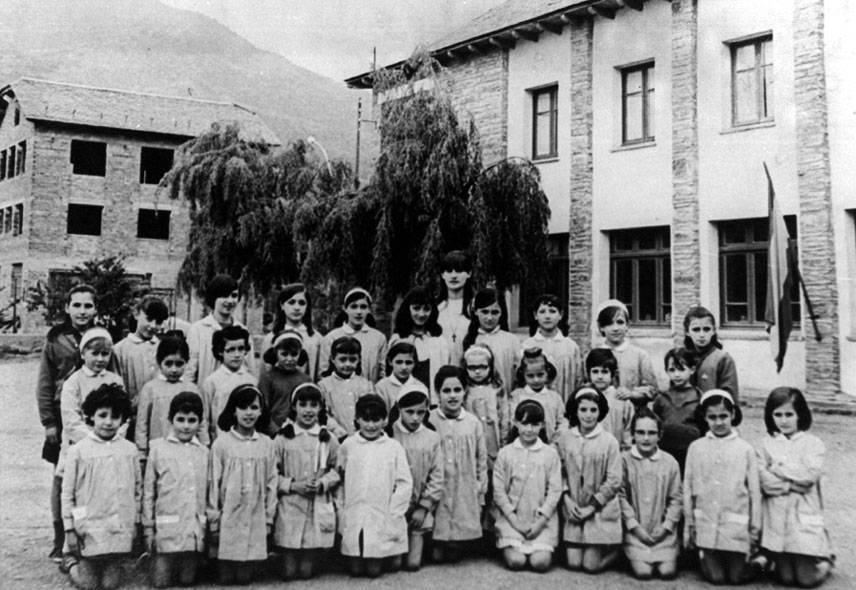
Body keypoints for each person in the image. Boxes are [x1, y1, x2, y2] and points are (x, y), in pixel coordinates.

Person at [35, 284, 99, 561]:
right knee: (61, 479)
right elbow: (45, 382)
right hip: (63, 418)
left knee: (93, 477)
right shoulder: (55, 338)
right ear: (67, 308)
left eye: (88, 306)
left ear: (96, 309)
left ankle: (91, 537)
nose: (82, 311)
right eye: (77, 305)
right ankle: (60, 536)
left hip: (97, 418)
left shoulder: (103, 337)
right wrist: (49, 421)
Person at [61, 384, 141, 590]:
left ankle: (111, 564)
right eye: (102, 415)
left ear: (122, 419)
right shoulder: (78, 451)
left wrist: (136, 521)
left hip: (117, 526)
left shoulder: (130, 450)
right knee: (88, 585)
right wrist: (69, 529)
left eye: (115, 416)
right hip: (88, 526)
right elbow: (67, 493)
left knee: (110, 585)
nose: (108, 422)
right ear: (91, 416)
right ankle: (71, 562)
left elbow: (137, 490)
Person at [756, 387, 834, 587]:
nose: (783, 421)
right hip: (776, 512)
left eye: (789, 414)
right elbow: (763, 479)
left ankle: (824, 562)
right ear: (770, 415)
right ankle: (780, 560)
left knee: (806, 580)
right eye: (778, 414)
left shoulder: (812, 443)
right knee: (786, 578)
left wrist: (777, 469)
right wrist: (790, 485)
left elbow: (808, 477)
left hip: (802, 512)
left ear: (800, 414)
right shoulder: (766, 444)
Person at [684, 389, 760, 585]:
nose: (718, 422)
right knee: (716, 578)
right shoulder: (697, 447)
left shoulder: (745, 449)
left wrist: (754, 529)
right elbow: (688, 488)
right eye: (712, 417)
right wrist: (690, 523)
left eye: (723, 416)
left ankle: (762, 561)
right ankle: (705, 555)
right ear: (705, 418)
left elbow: (754, 492)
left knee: (736, 578)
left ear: (733, 415)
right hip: (707, 524)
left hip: (735, 528)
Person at [207, 384, 277, 585]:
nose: (249, 413)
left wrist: (269, 517)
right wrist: (214, 518)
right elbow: (213, 482)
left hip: (255, 511)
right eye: (243, 407)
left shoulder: (266, 444)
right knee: (227, 578)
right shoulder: (222, 444)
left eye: (254, 408)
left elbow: (272, 482)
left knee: (244, 578)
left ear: (261, 411)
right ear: (233, 410)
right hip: (228, 514)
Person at [338, 394, 412, 578]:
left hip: (382, 511)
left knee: (373, 571)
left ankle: (387, 557)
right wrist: (341, 507)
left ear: (385, 420)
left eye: (376, 419)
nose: (371, 425)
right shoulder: (349, 445)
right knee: (355, 569)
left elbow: (404, 482)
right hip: (355, 509)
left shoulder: (393, 447)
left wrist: (394, 511)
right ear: (357, 419)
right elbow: (339, 477)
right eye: (366, 419)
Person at [272, 383, 340, 580]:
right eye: (303, 404)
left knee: (306, 573)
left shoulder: (328, 439)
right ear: (294, 407)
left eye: (314, 405)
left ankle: (312, 558)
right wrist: (292, 485)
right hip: (291, 502)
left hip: (316, 502)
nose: (308, 410)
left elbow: (338, 470)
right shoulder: (283, 438)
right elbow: (271, 474)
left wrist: (322, 483)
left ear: (321, 407)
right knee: (290, 573)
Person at [142, 392, 208, 588]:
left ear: (199, 422)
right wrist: (148, 527)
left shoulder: (204, 452)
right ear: (170, 420)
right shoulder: (158, 450)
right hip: (166, 527)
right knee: (161, 582)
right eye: (180, 420)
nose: (186, 426)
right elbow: (148, 492)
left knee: (187, 581)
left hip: (193, 527)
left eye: (192, 420)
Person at [554, 386, 622, 573]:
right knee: (574, 563)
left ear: (600, 412)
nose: (588, 415)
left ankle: (618, 552)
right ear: (576, 411)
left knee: (590, 566)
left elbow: (614, 480)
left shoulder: (609, 441)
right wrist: (566, 498)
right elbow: (559, 471)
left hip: (599, 510)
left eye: (593, 410)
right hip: (574, 507)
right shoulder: (565, 439)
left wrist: (592, 506)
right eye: (583, 409)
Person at [492, 400, 562, 572]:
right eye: (524, 423)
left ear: (542, 425)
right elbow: (499, 492)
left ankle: (540, 543)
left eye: (534, 424)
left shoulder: (550, 454)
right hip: (512, 520)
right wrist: (515, 521)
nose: (529, 429)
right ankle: (510, 543)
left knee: (540, 563)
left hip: (541, 522)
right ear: (515, 423)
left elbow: (554, 491)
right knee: (516, 561)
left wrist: (540, 522)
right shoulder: (506, 453)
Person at [429, 365, 488, 563]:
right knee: (437, 552)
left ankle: (458, 539)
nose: (452, 396)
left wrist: (480, 489)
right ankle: (437, 540)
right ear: (437, 393)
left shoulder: (472, 423)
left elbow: (481, 459)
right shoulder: (430, 420)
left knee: (454, 552)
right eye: (446, 391)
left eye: (457, 390)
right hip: (439, 484)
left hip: (465, 483)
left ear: (465, 391)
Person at [619, 407, 683, 580]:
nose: (646, 438)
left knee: (667, 572)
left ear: (659, 435)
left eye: (651, 433)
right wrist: (634, 526)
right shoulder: (624, 460)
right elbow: (621, 496)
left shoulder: (670, 462)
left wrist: (666, 526)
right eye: (640, 432)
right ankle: (626, 555)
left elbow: (676, 499)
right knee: (644, 573)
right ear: (632, 434)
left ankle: (667, 551)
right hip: (636, 531)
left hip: (661, 531)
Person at [388, 381, 444, 571]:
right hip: (393, 507)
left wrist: (424, 506)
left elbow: (437, 476)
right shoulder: (389, 434)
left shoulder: (432, 438)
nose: (415, 418)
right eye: (409, 412)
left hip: (419, 505)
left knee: (412, 565)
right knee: (394, 564)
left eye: (420, 412)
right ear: (399, 409)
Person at [60, 328, 125, 459]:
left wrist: (115, 435)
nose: (100, 359)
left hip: (111, 444)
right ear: (83, 354)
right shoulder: (74, 381)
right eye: (94, 353)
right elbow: (70, 419)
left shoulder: (116, 380)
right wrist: (95, 439)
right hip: (81, 445)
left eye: (105, 354)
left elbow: (124, 414)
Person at [136, 335, 206, 453]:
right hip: (159, 447)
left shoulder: (192, 388)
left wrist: (204, 444)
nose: (174, 369)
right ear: (159, 362)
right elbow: (142, 424)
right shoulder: (150, 389)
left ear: (186, 362)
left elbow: (202, 422)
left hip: (187, 449)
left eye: (179, 364)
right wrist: (142, 450)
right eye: (168, 363)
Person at [113, 295, 169, 439]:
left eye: (158, 322)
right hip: (131, 419)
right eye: (149, 319)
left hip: (159, 416)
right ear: (137, 314)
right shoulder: (120, 349)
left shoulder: (163, 349)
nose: (153, 326)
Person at [185, 274, 256, 386]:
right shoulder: (198, 329)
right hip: (207, 395)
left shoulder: (243, 330)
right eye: (224, 296)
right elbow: (190, 371)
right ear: (213, 297)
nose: (230, 301)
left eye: (234, 296)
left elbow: (250, 368)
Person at [594, 299, 658, 405]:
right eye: (609, 323)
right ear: (601, 327)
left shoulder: (640, 355)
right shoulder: (595, 355)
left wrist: (632, 394)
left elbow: (653, 389)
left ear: (627, 325)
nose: (615, 328)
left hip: (633, 412)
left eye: (620, 322)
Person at [389, 286, 451, 394]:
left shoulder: (439, 341)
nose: (421, 314)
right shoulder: (398, 340)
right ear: (408, 308)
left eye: (426, 309)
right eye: (416, 308)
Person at [200, 325, 257, 442]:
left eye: (241, 349)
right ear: (220, 351)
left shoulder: (251, 381)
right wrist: (206, 443)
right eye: (230, 350)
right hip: (220, 440)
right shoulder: (212, 382)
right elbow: (204, 418)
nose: (236, 355)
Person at [522, 294, 582, 402]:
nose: (547, 316)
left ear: (561, 315)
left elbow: (578, 379)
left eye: (552, 311)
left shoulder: (570, 347)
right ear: (535, 315)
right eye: (542, 312)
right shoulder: (527, 346)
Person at [462, 288, 521, 399]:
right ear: (475, 311)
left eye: (494, 312)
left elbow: (519, 375)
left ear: (501, 313)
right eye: (484, 312)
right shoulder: (467, 340)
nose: (489, 318)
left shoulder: (511, 340)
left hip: (505, 400)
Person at [320, 287, 387, 383]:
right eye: (353, 307)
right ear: (345, 308)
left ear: (369, 309)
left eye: (363, 307)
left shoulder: (379, 338)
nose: (359, 312)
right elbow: (324, 373)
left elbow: (382, 373)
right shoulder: (332, 337)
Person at [652, 348, 702, 474]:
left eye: (681, 369)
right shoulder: (662, 398)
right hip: (665, 453)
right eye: (672, 370)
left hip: (690, 455)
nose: (677, 375)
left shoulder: (699, 398)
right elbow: (655, 425)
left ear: (692, 369)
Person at [261, 284, 323, 380]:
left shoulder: (315, 338)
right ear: (282, 305)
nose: (297, 308)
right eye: (291, 302)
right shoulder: (271, 338)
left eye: (302, 303)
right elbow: (264, 373)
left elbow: (320, 374)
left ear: (307, 306)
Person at [318, 336, 375, 439]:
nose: (348, 364)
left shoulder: (366, 385)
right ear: (332, 359)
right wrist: (336, 429)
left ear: (359, 359)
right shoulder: (324, 386)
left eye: (352, 360)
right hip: (335, 438)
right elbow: (322, 413)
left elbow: (372, 410)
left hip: (362, 438)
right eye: (343, 359)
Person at [258, 330, 311, 436]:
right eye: (284, 354)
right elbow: (263, 410)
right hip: (273, 435)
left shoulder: (306, 380)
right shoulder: (268, 378)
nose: (289, 359)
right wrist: (276, 432)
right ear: (276, 353)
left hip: (300, 434)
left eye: (294, 354)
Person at [508, 347, 567, 443]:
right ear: (523, 375)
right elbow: (513, 422)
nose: (536, 380)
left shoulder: (554, 397)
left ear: (547, 373)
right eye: (530, 376)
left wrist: (555, 443)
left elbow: (562, 423)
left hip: (549, 445)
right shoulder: (517, 396)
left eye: (540, 375)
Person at [683, 306, 739, 403]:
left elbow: (730, 398)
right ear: (687, 332)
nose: (701, 335)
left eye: (706, 329)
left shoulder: (723, 359)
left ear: (713, 331)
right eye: (696, 330)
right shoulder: (681, 358)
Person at [463, 344, 505, 469]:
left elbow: (504, 416)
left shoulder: (496, 388)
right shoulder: (464, 390)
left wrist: (504, 441)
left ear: (490, 367)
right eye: (472, 368)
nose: (477, 371)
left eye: (482, 367)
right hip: (471, 441)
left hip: (493, 439)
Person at [584, 348, 633, 451]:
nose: (600, 376)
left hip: (615, 453)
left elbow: (628, 431)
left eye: (605, 372)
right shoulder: (582, 397)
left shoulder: (621, 400)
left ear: (612, 374)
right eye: (595, 372)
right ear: (589, 374)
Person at [436, 250, 473, 366]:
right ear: (442, 275)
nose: (453, 275)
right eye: (449, 271)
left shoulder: (475, 307)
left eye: (459, 270)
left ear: (469, 273)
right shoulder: (435, 308)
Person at [375, 342, 422, 411]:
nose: (404, 367)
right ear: (390, 361)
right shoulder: (381, 387)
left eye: (408, 362)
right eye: (399, 362)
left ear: (415, 363)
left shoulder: (419, 387)